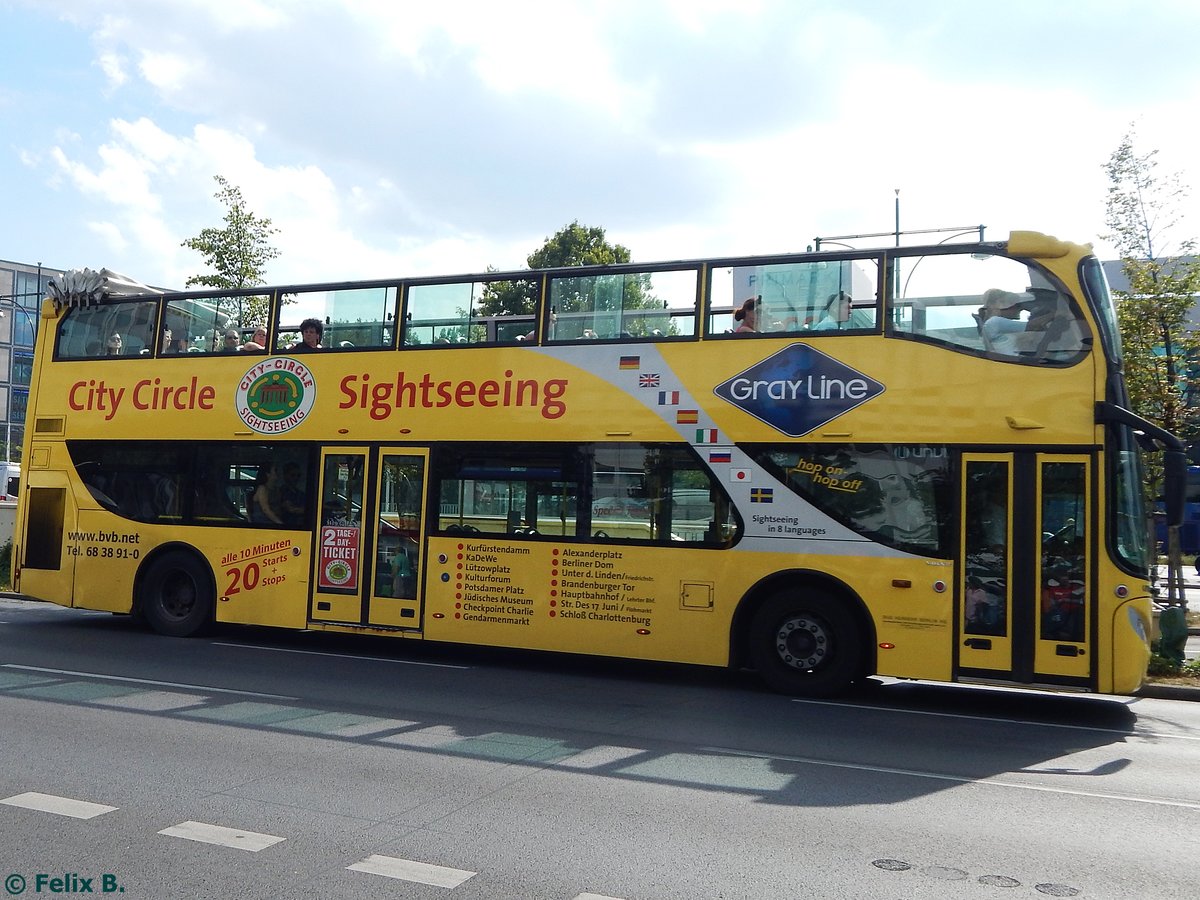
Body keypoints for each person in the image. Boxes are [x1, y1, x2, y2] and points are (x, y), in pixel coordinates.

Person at [979, 288, 1027, 353]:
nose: (1020, 308)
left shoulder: (991, 323)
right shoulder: (996, 322)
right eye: (1012, 303)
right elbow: (1033, 326)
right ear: (995, 304)